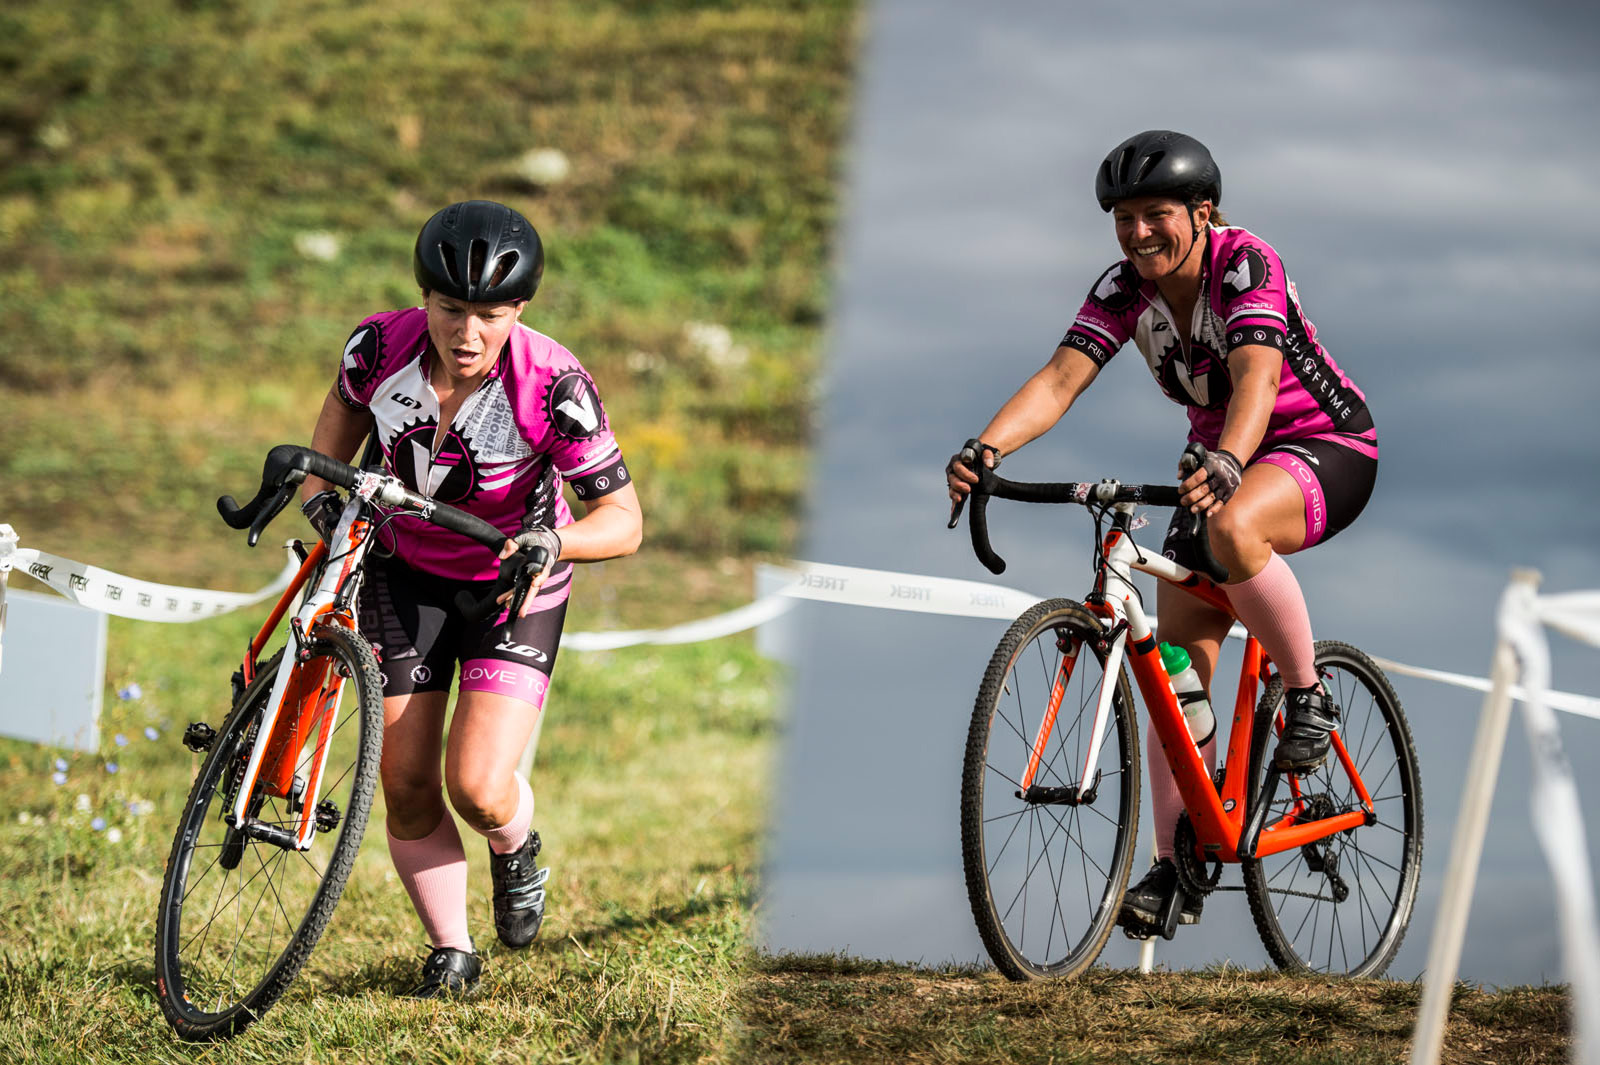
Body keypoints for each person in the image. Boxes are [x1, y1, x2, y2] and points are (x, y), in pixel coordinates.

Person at [945, 131, 1377, 934]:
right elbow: (1059, 378)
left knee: (1238, 525)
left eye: (1155, 216)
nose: (1138, 233)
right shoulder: (1122, 288)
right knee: (1175, 676)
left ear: (1202, 213)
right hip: (1217, 463)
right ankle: (1177, 859)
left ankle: (1309, 692)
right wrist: (986, 447)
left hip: (1319, 444)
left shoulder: (1245, 264)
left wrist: (1229, 460)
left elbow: (1258, 376)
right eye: (1123, 219)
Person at [299, 199, 642, 995]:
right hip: (403, 570)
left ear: (518, 310)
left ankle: (515, 843)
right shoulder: (377, 347)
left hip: (510, 583)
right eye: (450, 308)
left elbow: (622, 522)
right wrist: (329, 517)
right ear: (424, 298)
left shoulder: (554, 385)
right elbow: (328, 463)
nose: (466, 332)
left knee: (479, 787)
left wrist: (555, 540)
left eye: (489, 314)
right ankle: (453, 950)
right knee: (408, 782)